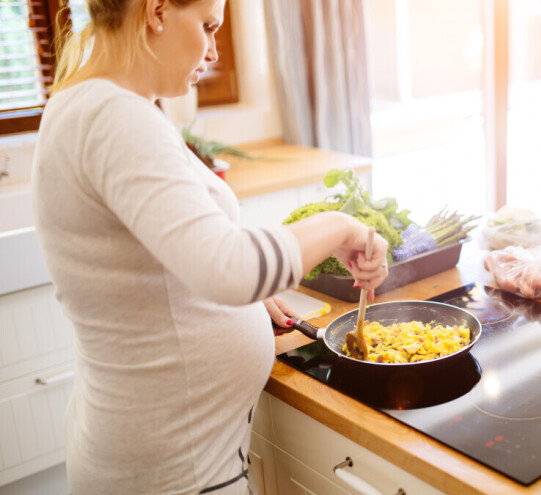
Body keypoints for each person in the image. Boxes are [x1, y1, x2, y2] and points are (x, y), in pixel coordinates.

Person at [31, 0, 388, 493]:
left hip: (160, 453)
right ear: (157, 11)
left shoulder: (89, 103)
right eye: (207, 26)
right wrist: (340, 225)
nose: (213, 50)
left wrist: (242, 298)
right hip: (172, 470)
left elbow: (151, 260)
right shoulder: (114, 116)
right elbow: (229, 270)